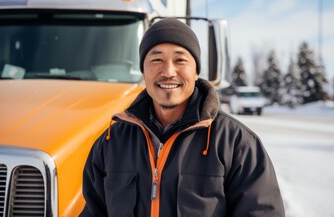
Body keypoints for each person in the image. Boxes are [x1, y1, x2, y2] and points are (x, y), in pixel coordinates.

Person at [80, 18, 285, 216]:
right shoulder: (111, 143)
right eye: (156, 59)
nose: (168, 72)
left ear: (196, 72)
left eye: (180, 60)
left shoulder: (236, 143)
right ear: (143, 71)